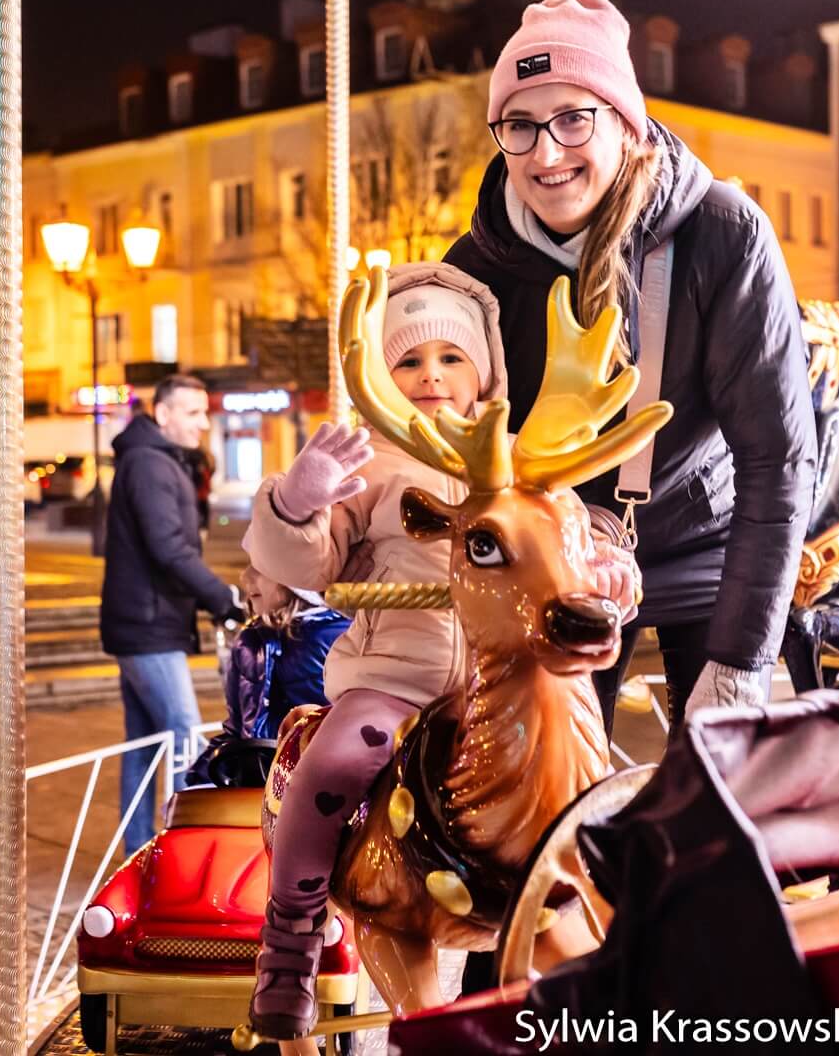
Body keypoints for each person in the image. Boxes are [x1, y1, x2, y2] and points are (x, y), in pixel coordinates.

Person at [240, 262, 641, 1040]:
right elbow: (306, 566)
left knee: (594, 782)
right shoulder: (372, 470)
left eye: (451, 358)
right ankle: (290, 934)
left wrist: (611, 570)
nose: (432, 376)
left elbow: (575, 548)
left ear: (484, 371)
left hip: (517, 683)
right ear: (384, 378)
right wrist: (296, 503)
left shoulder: (533, 463)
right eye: (410, 360)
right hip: (402, 679)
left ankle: (617, 916)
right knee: (339, 757)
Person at [444, 0, 817, 735]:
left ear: (625, 121)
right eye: (519, 125)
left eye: (573, 118)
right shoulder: (474, 268)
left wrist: (742, 662)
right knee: (540, 804)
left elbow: (779, 458)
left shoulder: (724, 233)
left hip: (712, 552)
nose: (546, 153)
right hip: (563, 563)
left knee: (716, 796)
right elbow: (457, 454)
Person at [102, 374, 246, 850]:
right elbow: (167, 547)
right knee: (185, 737)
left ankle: (140, 851)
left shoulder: (157, 462)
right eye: (192, 413)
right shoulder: (149, 465)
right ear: (163, 415)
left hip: (147, 622)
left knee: (143, 747)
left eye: (204, 413)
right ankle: (192, 856)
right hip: (148, 627)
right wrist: (221, 597)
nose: (203, 423)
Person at [185, 566, 349, 787]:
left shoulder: (338, 638)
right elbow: (237, 729)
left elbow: (344, 731)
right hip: (255, 779)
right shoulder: (249, 641)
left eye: (261, 568)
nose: (246, 576)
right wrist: (200, 778)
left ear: (295, 580)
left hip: (316, 783)